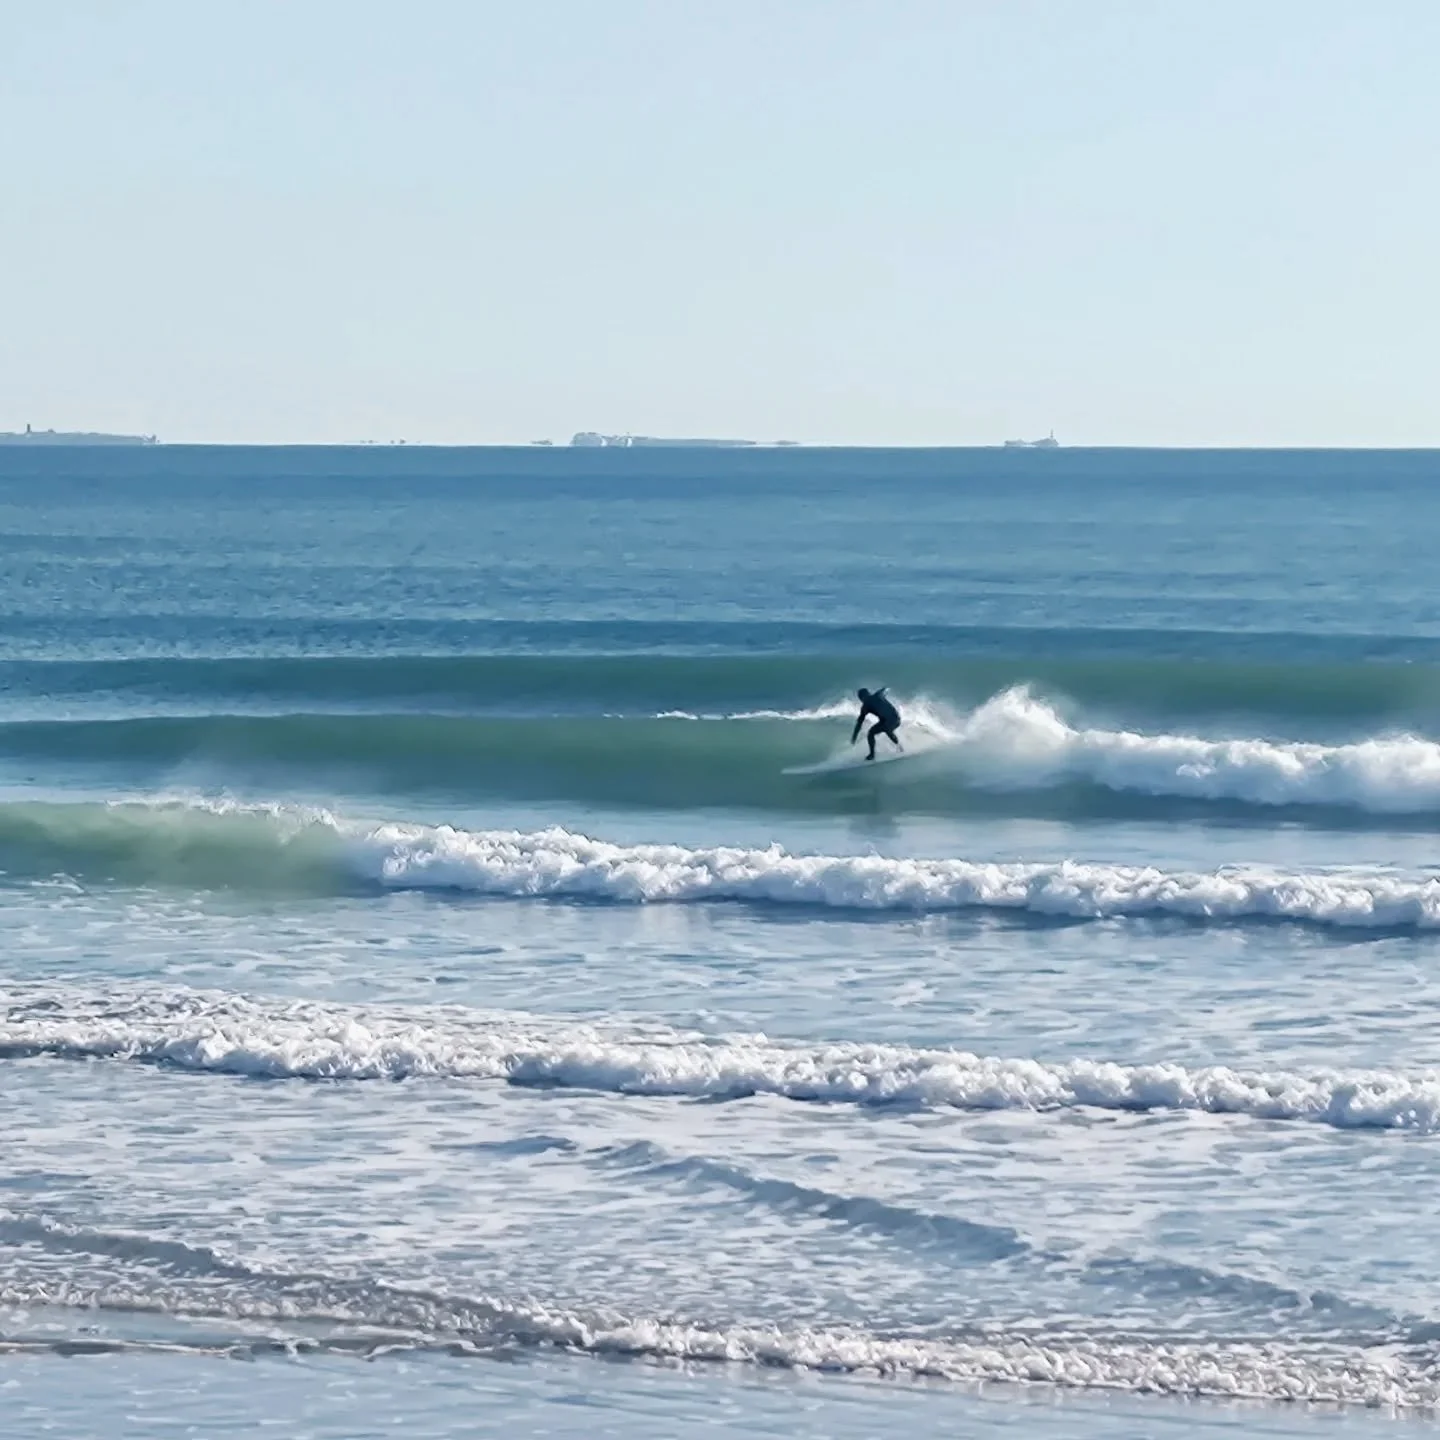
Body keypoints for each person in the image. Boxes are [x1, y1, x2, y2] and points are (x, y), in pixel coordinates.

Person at [851, 687, 902, 760]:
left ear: (861, 698)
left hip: (889, 721)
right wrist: (887, 689)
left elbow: (859, 724)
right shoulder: (878, 695)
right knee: (886, 728)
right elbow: (885, 689)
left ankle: (872, 755)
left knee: (872, 733)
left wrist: (854, 737)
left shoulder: (865, 706)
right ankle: (900, 748)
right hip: (897, 719)